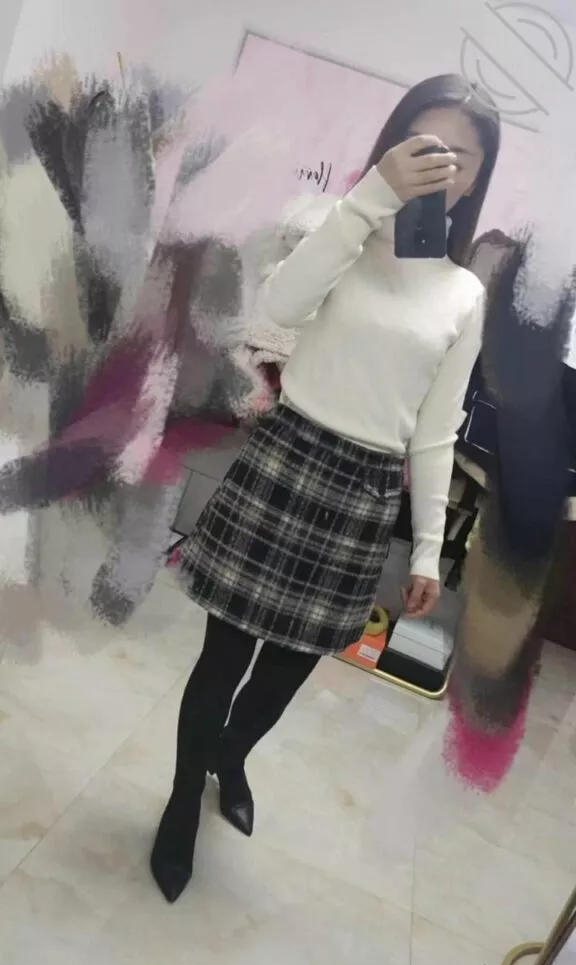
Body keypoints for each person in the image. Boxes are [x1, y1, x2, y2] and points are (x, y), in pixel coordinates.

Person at [151, 73, 501, 902]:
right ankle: (180, 801)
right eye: (427, 144)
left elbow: (436, 428)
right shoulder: (336, 228)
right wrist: (370, 198)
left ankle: (229, 757)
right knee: (222, 659)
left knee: (285, 675)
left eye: (463, 158)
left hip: (365, 492)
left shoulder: (464, 293)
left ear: (477, 179)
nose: (442, 166)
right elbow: (281, 304)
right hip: (287, 458)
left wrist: (427, 549)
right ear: (393, 144)